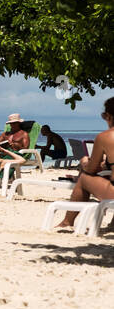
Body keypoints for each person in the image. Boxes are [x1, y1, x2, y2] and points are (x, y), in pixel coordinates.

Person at [58, 97, 114, 228]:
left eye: (104, 115)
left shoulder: (105, 137)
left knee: (84, 179)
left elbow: (91, 169)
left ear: (108, 116)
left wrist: (84, 162)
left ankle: (67, 222)